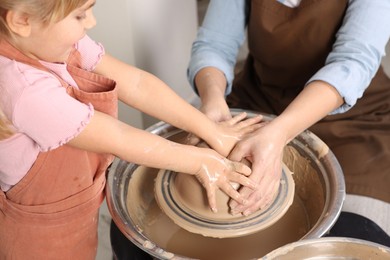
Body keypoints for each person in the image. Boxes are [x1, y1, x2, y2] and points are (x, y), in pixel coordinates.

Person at [0, 0, 264, 258]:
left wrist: (210, 129)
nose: (92, 22)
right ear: (21, 21)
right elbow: (118, 137)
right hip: (39, 231)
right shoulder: (25, 92)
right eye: (80, 15)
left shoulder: (50, 40)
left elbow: (137, 84)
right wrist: (200, 163)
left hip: (73, 204)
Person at [188, 0, 390, 216]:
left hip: (351, 120)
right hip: (259, 101)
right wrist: (213, 101)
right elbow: (214, 45)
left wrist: (281, 131)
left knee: (354, 225)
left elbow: (353, 62)